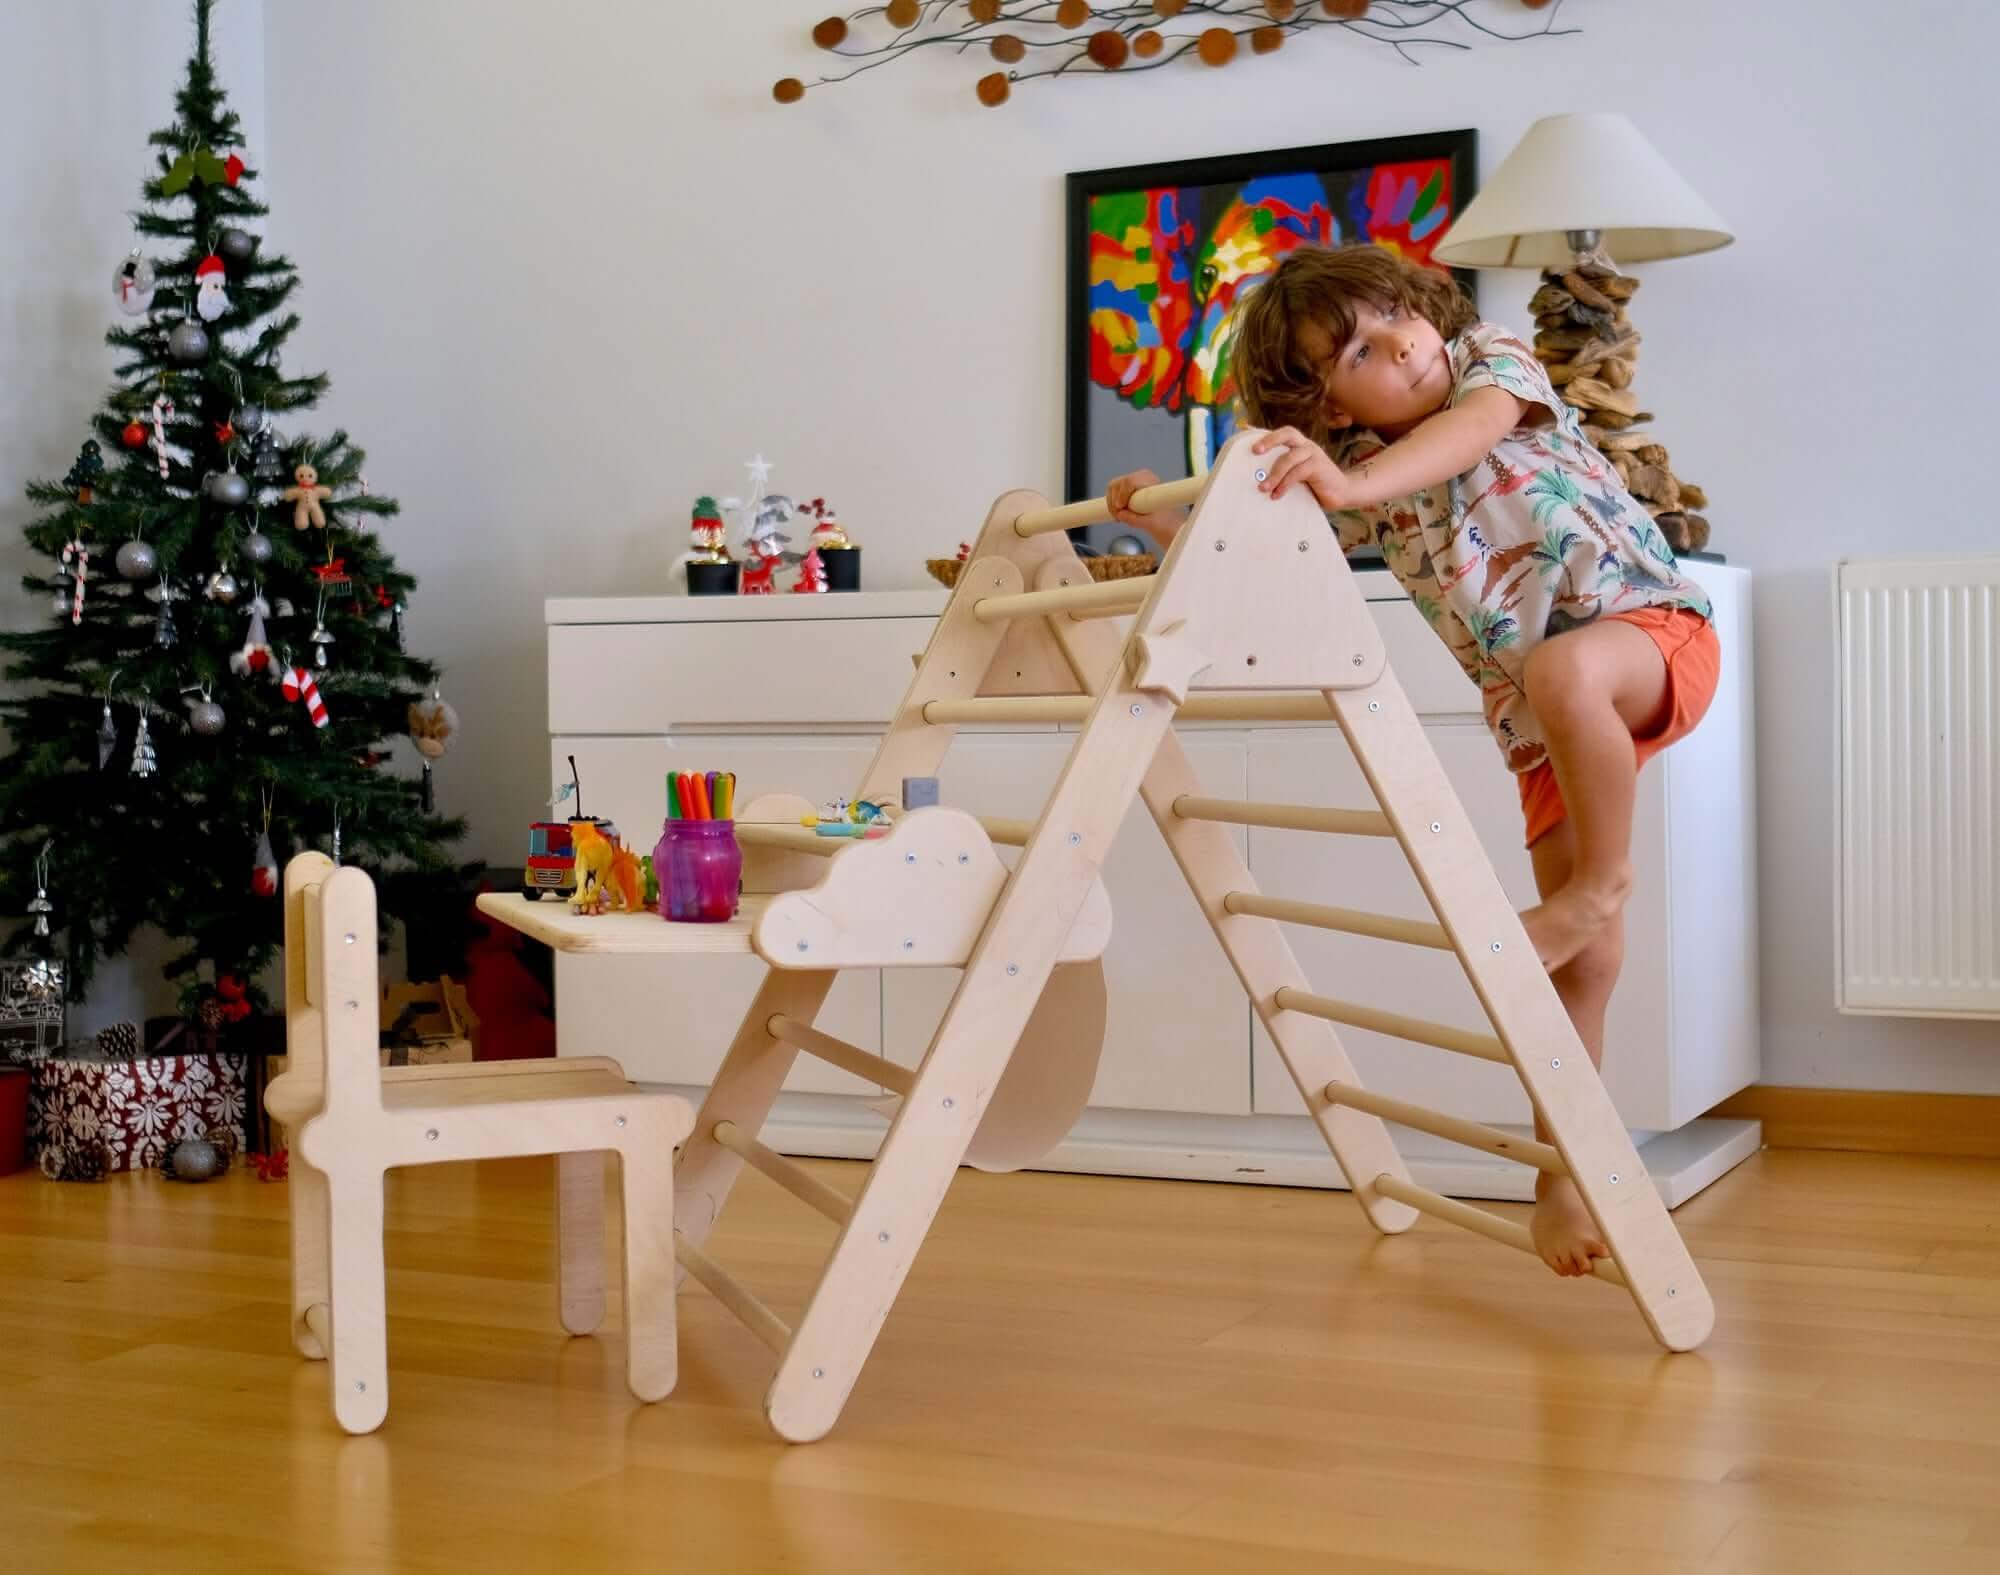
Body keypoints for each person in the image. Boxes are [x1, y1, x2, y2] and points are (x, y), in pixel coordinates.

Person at [1105, 243, 1720, 1278]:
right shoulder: (1364, 486)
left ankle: (1604, 882)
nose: (1399, 342)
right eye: (1357, 351)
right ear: (1328, 407)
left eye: (1397, 317)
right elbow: (1247, 562)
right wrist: (1157, 516)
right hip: (1540, 727)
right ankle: (1563, 1173)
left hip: (1650, 635)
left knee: (1568, 681)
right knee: (1581, 963)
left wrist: (1345, 482)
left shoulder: (1496, 366)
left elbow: (1464, 434)